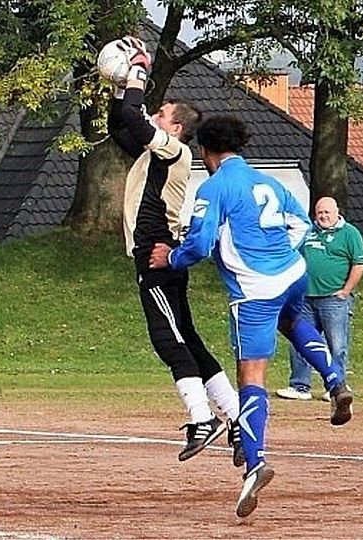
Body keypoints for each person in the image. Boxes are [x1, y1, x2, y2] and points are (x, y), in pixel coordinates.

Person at [149, 115, 354, 518]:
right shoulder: (269, 181)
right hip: (293, 273)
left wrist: (170, 258)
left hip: (256, 289)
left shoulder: (214, 187)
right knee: (294, 322)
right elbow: (299, 222)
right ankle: (334, 380)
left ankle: (256, 462)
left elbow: (201, 243)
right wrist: (279, 254)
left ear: (205, 151)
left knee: (251, 379)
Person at [108, 36, 243, 466]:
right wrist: (117, 86)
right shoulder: (156, 152)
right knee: (189, 339)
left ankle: (202, 417)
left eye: (161, 114)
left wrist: (138, 71)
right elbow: (120, 123)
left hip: (157, 252)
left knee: (168, 341)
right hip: (156, 250)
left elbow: (133, 112)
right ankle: (239, 420)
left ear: (176, 127)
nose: (152, 115)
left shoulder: (174, 150)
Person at [276, 196, 363, 402]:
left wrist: (346, 290)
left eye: (327, 212)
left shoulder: (350, 233)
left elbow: (359, 263)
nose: (323, 216)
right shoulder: (307, 232)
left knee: (337, 344)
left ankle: (336, 386)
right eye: (320, 212)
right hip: (305, 299)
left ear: (336, 212)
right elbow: (292, 255)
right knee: (300, 342)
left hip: (334, 299)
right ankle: (300, 385)